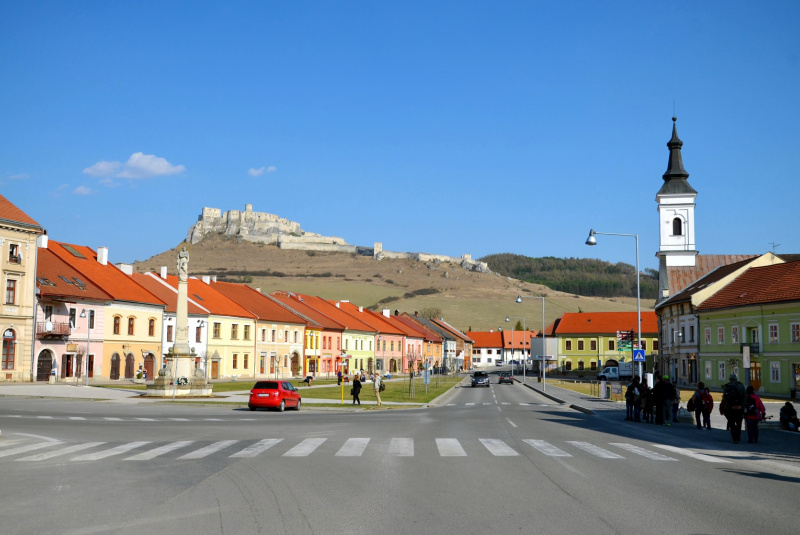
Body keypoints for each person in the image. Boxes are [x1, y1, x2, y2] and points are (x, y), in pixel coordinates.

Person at [720, 373, 746, 444]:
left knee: (732, 423)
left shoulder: (726, 386)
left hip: (730, 409)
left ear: (729, 379)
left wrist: (730, 406)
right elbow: (744, 398)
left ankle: (734, 438)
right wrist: (741, 406)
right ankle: (738, 438)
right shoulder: (741, 386)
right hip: (739, 408)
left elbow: (725, 398)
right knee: (739, 423)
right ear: (736, 379)